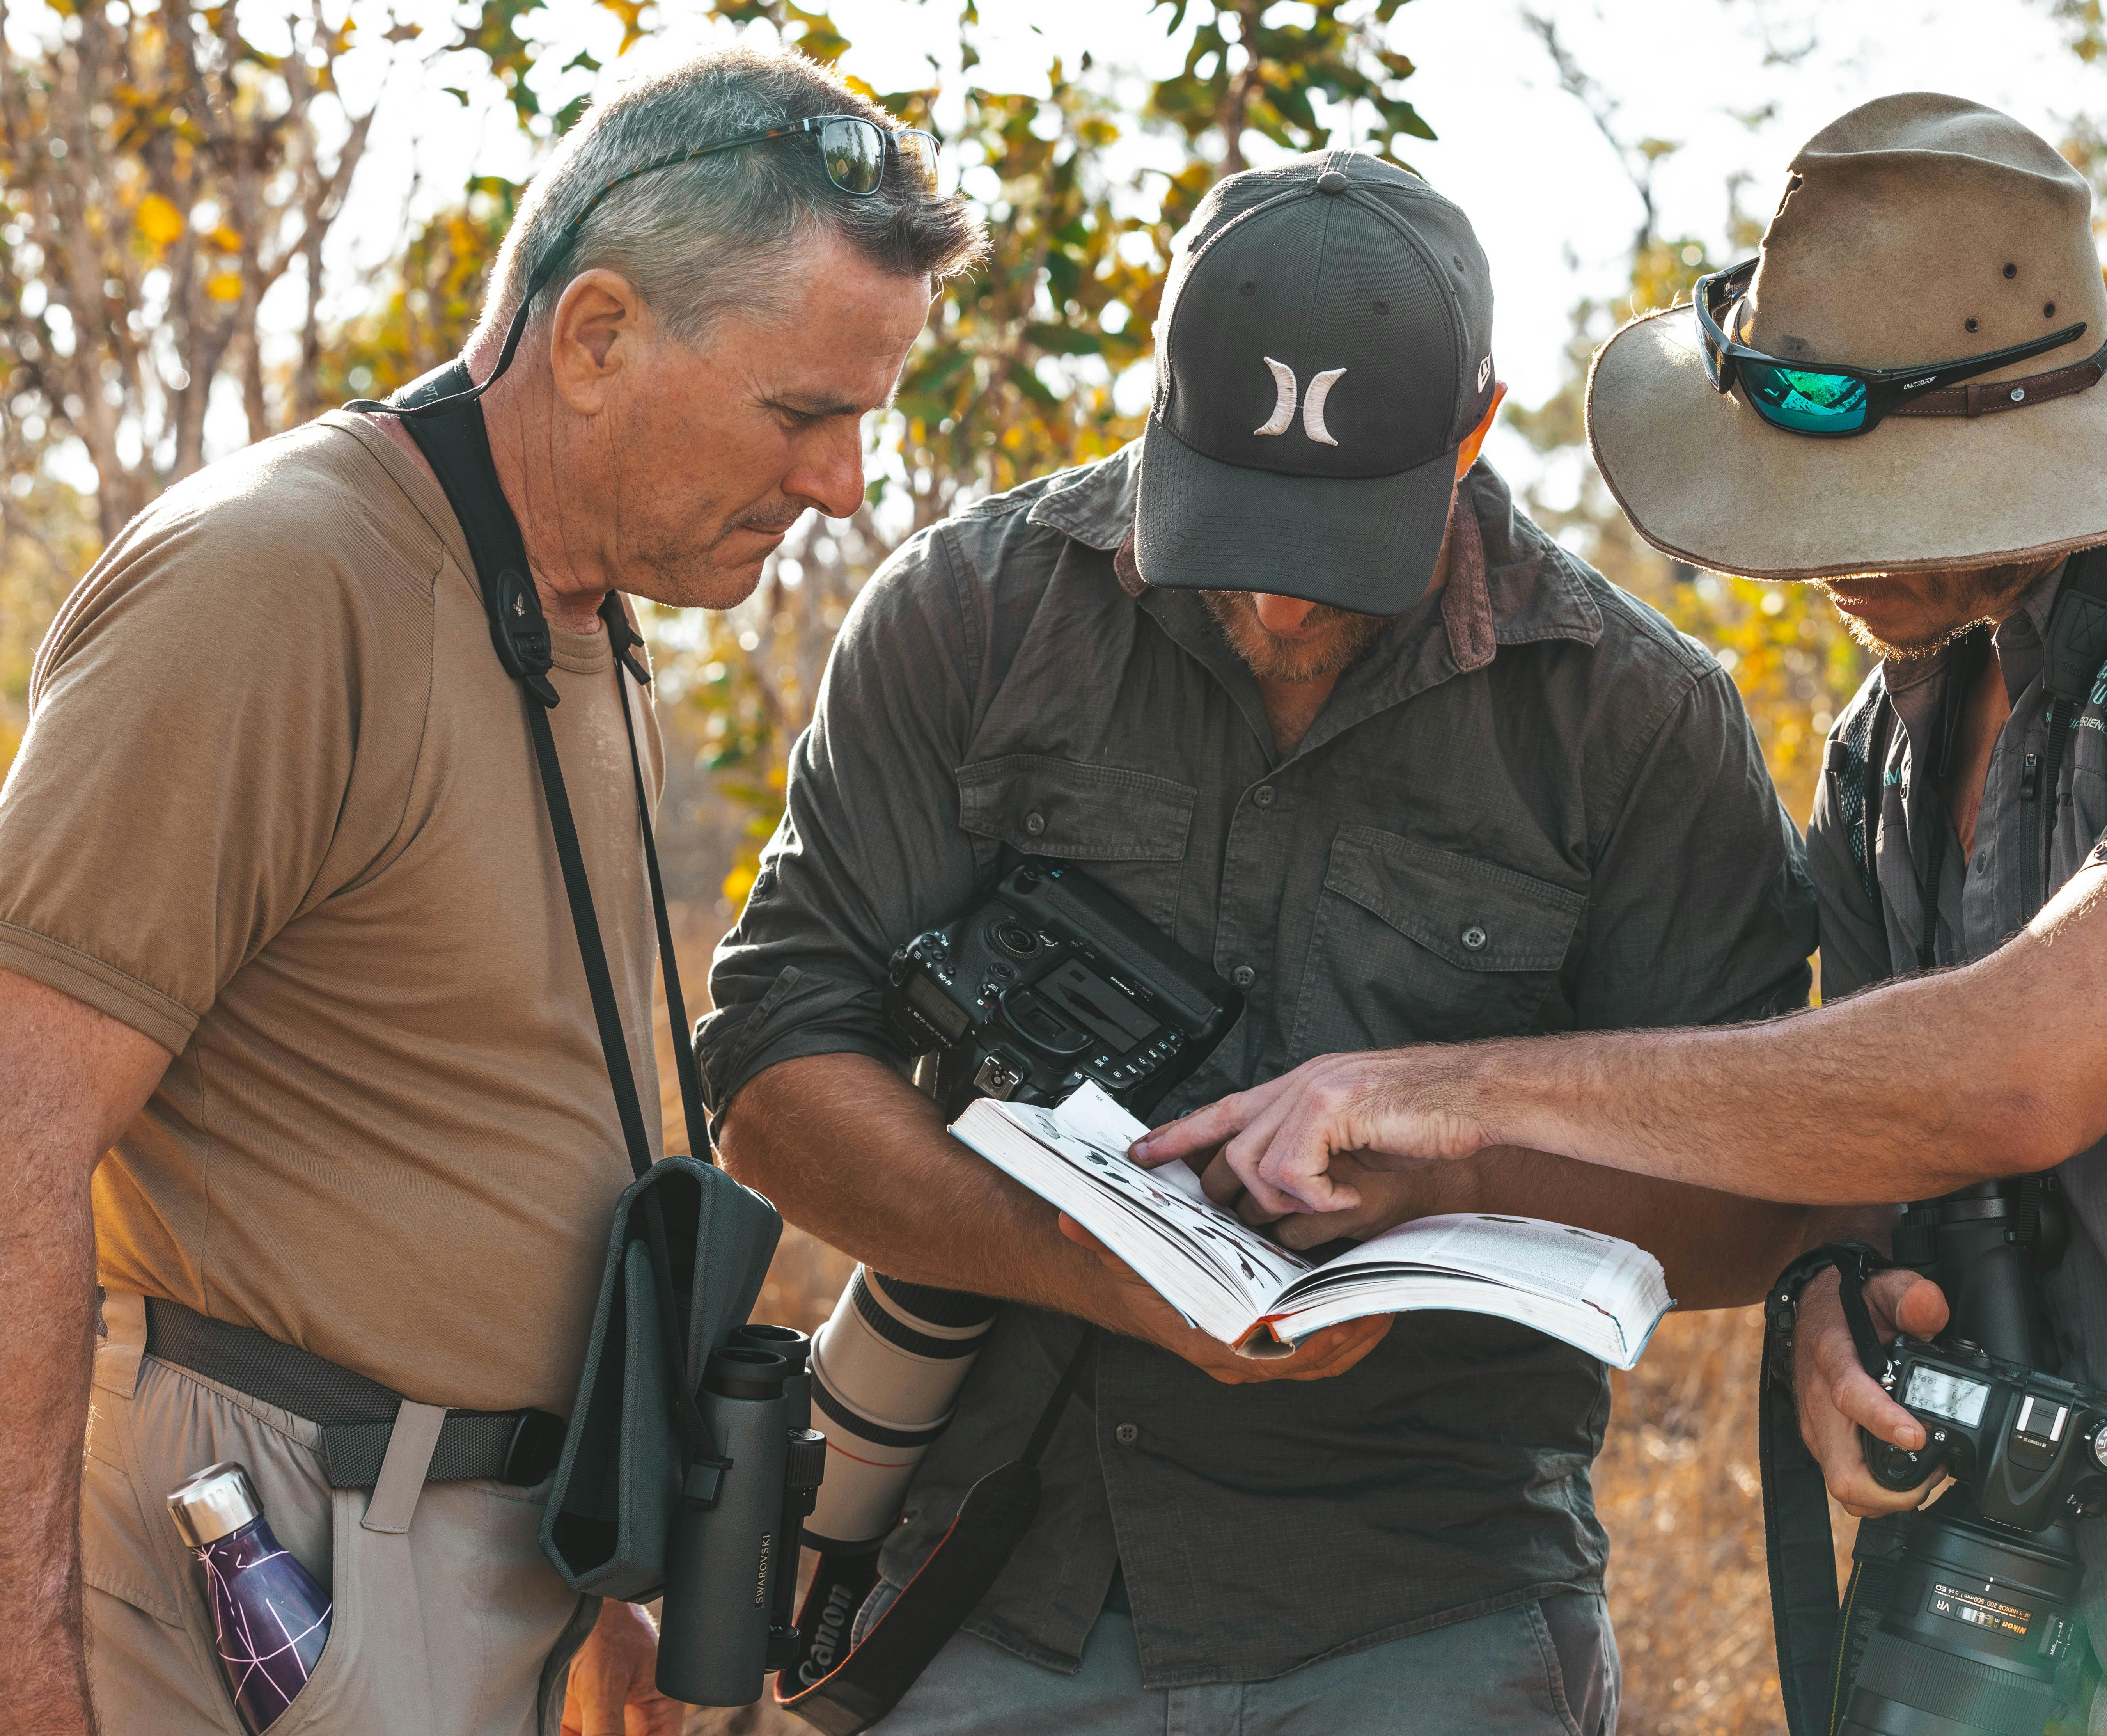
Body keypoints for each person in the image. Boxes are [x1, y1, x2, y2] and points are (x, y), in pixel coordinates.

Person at [1139, 96, 2107, 1735]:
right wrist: (1833, 1288)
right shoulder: (1884, 746)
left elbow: (2020, 1068)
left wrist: (1446, 1088)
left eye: (1897, 495)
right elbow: (1879, 1130)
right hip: (2064, 1647)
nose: (1822, 559)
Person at [697, 149, 1831, 1734]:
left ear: (1477, 430)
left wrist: (1456, 1160)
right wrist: (1088, 1266)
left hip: (1426, 1611)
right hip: (989, 1585)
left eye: (1343, 549)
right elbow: (768, 1065)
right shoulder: (973, 616)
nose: (1288, 613)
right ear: (1156, 403)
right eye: (1237, 533)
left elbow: (1758, 1205)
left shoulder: (1634, 722)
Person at [0, 45, 983, 1736]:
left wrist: (600, 1588)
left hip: (489, 1560)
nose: (841, 486)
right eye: (802, 414)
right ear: (597, 335)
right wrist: (24, 1660)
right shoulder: (277, 581)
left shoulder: (575, 613)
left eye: (863, 420)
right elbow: (16, 1128)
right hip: (289, 1566)